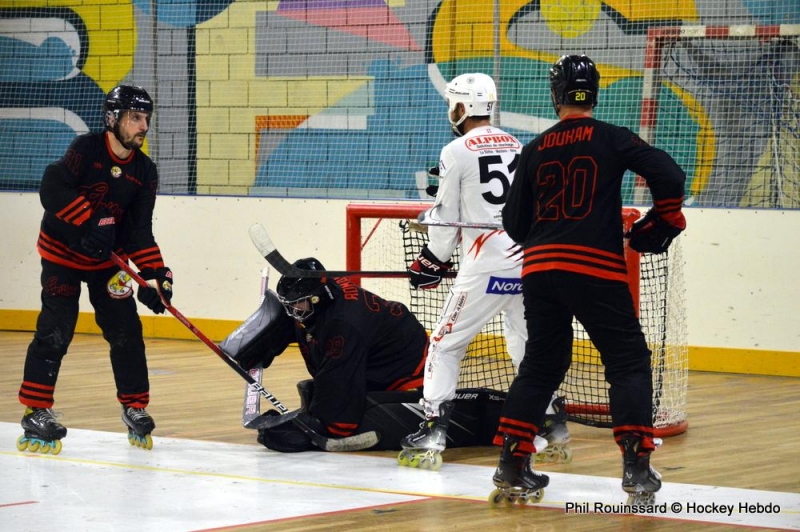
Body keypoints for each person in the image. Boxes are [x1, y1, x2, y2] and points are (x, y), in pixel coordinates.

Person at [492, 55, 686, 502]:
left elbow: (516, 224)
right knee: (627, 362)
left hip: (540, 268)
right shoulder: (613, 137)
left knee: (540, 367)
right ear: (593, 93)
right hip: (594, 268)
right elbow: (669, 174)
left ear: (555, 94)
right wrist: (663, 223)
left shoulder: (535, 148)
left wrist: (548, 235)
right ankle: (636, 469)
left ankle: (512, 463)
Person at [398, 73, 569, 468]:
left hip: (486, 268)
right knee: (527, 347)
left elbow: (446, 219)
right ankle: (551, 424)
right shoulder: (521, 146)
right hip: (529, 265)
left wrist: (430, 262)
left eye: (451, 105)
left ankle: (433, 429)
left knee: (444, 343)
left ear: (460, 108)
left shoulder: (455, 150)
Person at [16, 85, 173, 454]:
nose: (143, 126)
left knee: (126, 332)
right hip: (61, 255)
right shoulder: (85, 150)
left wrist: (156, 276)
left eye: (146, 118)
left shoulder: (145, 172)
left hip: (107, 263)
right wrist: (90, 220)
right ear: (113, 118)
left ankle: (135, 406)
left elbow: (138, 231)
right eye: (135, 118)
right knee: (56, 330)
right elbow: (52, 188)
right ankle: (36, 410)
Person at [228, 258, 430, 452]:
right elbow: (304, 322)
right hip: (377, 347)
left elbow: (338, 375)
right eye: (289, 304)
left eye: (298, 304)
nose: (293, 310)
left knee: (333, 386)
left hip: (405, 364)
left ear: (318, 297)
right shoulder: (322, 298)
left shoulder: (344, 323)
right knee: (313, 390)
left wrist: (321, 427)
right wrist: (262, 342)